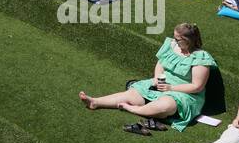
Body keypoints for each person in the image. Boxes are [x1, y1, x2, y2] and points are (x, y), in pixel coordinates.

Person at [79, 23, 216, 131]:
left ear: (188, 40)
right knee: (133, 94)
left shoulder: (200, 57)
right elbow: (160, 64)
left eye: (178, 39)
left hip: (185, 94)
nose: (174, 40)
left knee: (165, 105)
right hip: (163, 84)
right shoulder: (172, 45)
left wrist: (171, 88)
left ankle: (133, 109)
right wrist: (157, 78)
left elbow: (197, 86)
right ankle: (95, 102)